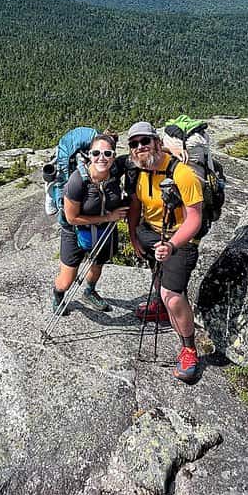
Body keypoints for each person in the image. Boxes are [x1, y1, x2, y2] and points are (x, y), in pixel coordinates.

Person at [124, 121, 204, 383]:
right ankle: (159, 309)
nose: (139, 147)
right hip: (150, 232)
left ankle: (189, 349)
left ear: (157, 143)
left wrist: (171, 245)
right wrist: (134, 233)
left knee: (172, 294)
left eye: (144, 141)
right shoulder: (139, 170)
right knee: (156, 273)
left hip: (179, 240)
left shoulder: (182, 174)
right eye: (134, 144)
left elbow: (195, 219)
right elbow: (136, 203)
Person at [49, 132, 128, 314]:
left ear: (114, 156)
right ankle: (58, 295)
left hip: (104, 230)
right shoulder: (77, 181)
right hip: (75, 231)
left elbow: (142, 156)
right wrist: (109, 217)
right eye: (96, 153)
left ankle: (89, 291)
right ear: (89, 155)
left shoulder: (116, 170)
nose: (102, 158)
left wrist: (171, 149)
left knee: (97, 265)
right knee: (66, 280)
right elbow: (72, 218)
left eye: (107, 154)